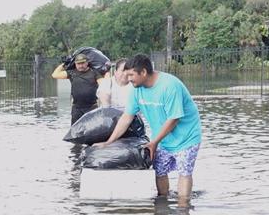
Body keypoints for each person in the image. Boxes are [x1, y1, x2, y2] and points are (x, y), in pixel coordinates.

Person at [95, 54, 202, 206]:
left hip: (187, 137)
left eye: (131, 75)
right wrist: (109, 142)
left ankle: (183, 211)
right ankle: (163, 206)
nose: (128, 79)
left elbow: (174, 119)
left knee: (184, 173)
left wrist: (154, 142)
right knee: (160, 171)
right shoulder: (136, 90)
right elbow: (127, 117)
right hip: (162, 139)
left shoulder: (169, 86)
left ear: (143, 72)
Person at [52, 53, 101, 124]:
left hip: (92, 107)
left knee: (92, 132)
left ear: (87, 62)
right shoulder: (72, 73)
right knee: (76, 132)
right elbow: (55, 75)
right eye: (78, 64)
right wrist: (64, 64)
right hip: (77, 109)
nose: (81, 66)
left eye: (83, 63)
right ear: (75, 64)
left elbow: (104, 85)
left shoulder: (94, 73)